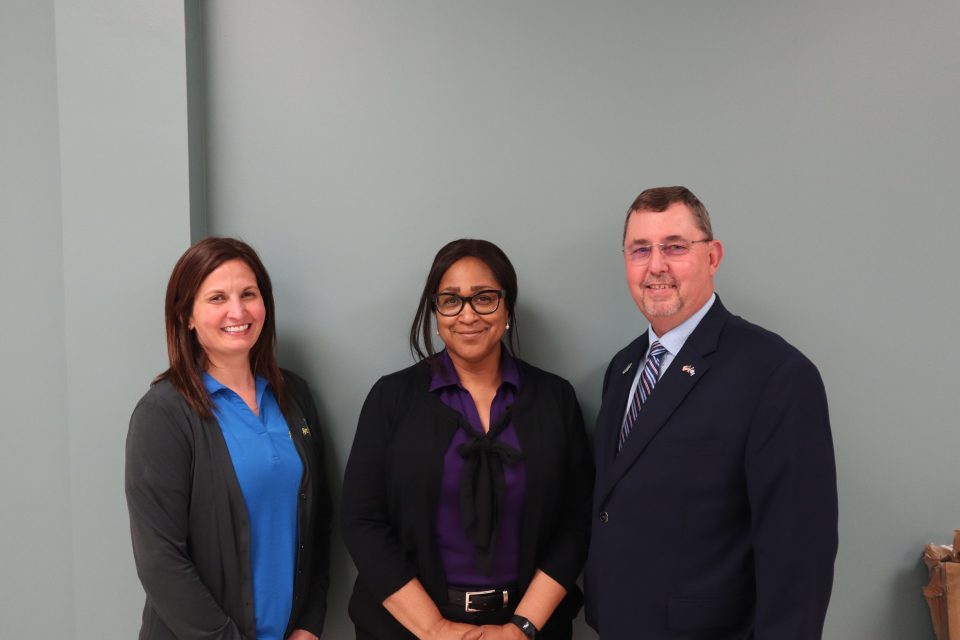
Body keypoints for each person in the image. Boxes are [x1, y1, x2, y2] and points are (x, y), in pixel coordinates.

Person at [584, 187, 838, 639]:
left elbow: (798, 556)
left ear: (713, 256)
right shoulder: (623, 369)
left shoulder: (776, 374)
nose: (656, 265)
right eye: (640, 250)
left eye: (675, 247)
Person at [341, 239, 594, 640]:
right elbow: (362, 520)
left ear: (507, 307)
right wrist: (436, 629)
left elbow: (577, 521)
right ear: (435, 311)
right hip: (407, 628)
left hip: (531, 628)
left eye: (484, 298)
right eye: (451, 300)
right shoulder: (392, 398)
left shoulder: (554, 398)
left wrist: (520, 628)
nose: (468, 314)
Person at [125, 237, 332, 640]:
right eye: (217, 298)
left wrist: (309, 624)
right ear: (186, 315)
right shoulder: (163, 414)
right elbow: (160, 562)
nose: (237, 311)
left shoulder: (295, 396)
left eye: (248, 294)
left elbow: (317, 522)